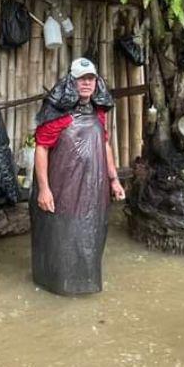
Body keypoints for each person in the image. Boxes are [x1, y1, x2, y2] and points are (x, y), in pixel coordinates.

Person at [30, 58, 125, 295]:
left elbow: (105, 144)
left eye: (91, 79)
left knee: (89, 233)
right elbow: (41, 148)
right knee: (61, 234)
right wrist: (44, 189)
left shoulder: (98, 111)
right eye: (81, 79)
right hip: (62, 189)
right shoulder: (56, 113)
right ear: (71, 81)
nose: (86, 83)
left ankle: (85, 284)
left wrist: (114, 180)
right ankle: (58, 286)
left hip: (93, 189)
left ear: (96, 82)